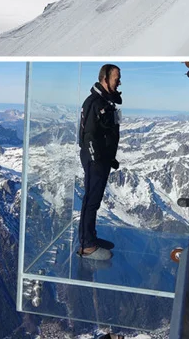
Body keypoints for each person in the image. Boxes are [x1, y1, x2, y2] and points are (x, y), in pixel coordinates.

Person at [77, 64, 122, 261]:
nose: (119, 82)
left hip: (101, 159)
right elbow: (88, 136)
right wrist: (97, 160)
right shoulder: (94, 102)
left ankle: (91, 238)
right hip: (95, 160)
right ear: (104, 79)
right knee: (91, 200)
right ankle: (87, 245)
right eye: (116, 78)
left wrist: (109, 158)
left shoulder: (104, 102)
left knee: (94, 201)